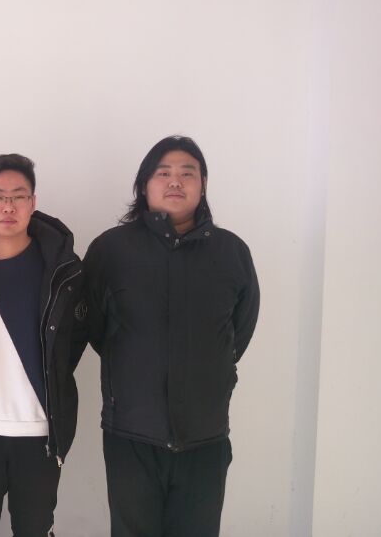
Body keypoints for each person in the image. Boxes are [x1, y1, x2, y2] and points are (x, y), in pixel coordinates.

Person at [81, 135, 260, 537]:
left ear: (203, 184)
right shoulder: (111, 250)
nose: (175, 181)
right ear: (144, 185)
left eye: (187, 173)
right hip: (131, 433)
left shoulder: (231, 252)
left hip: (205, 436)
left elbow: (240, 330)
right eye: (163, 173)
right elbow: (94, 326)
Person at [0, 154, 86, 537]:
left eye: (18, 196)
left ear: (33, 202)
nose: (8, 206)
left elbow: (72, 342)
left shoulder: (63, 271)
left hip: (40, 431)